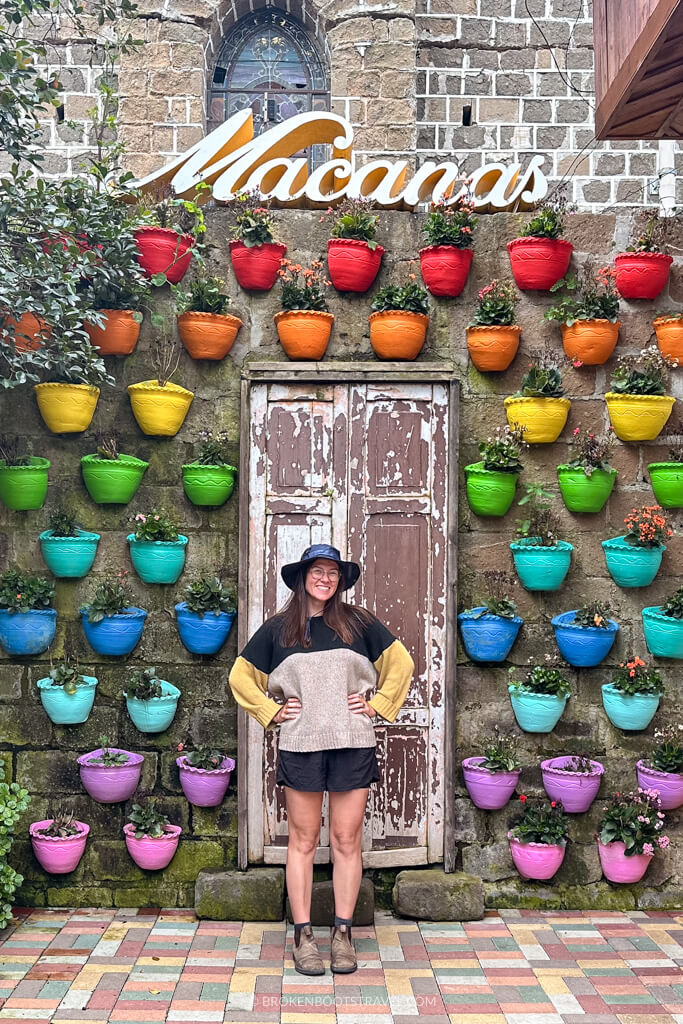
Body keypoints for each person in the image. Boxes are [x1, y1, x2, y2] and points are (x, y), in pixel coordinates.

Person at [228, 543, 414, 977]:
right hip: (299, 745)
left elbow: (401, 664)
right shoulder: (278, 631)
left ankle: (343, 934)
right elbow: (240, 675)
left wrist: (377, 704)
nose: (325, 578)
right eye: (318, 571)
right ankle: (304, 936)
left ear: (341, 580)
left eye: (333, 572)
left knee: (347, 840)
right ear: (302, 577)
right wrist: (271, 711)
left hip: (352, 741)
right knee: (304, 841)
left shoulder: (359, 624)